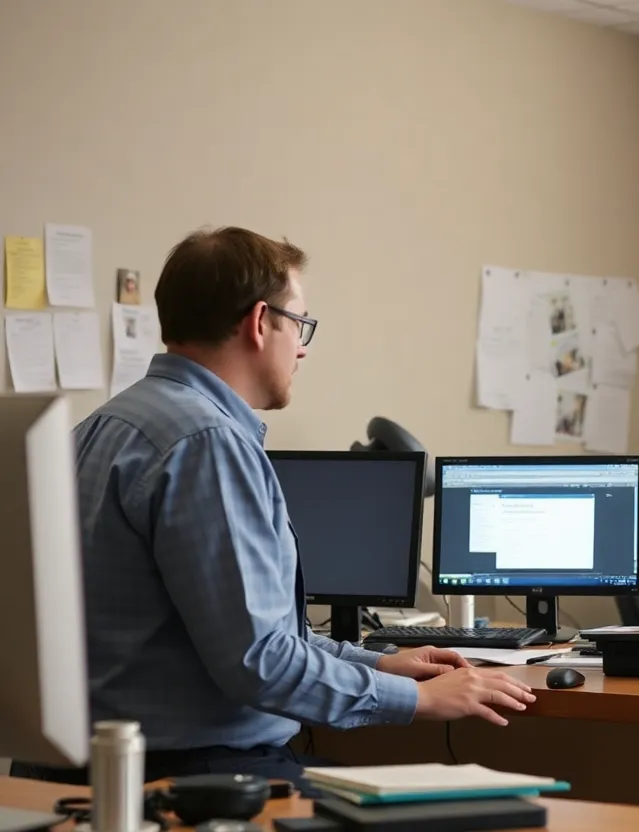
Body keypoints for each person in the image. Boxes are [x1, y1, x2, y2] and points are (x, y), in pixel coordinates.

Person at [10, 227, 535, 791]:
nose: (304, 346)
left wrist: (379, 664)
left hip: (70, 775)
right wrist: (419, 699)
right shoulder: (206, 443)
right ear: (261, 322)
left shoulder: (101, 428)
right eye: (300, 324)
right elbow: (258, 660)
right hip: (190, 778)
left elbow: (243, 635)